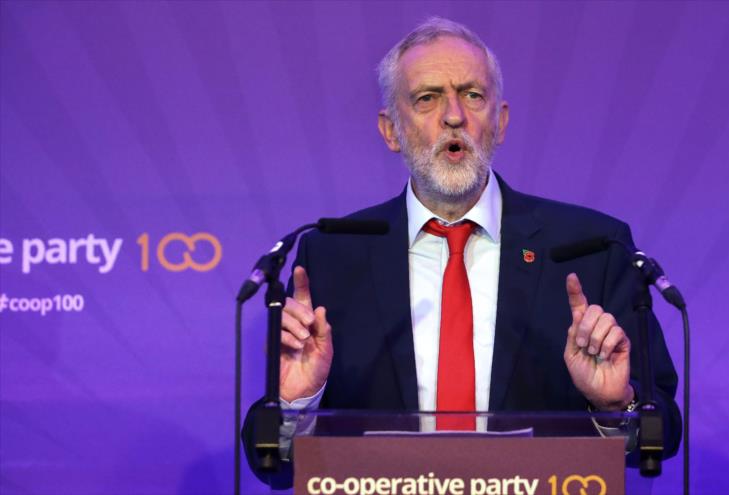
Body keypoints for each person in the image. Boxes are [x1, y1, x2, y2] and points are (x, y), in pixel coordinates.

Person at [243, 16, 681, 488]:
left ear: (501, 121)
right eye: (427, 98)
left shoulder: (593, 249)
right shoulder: (333, 255)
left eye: (473, 95)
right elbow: (275, 465)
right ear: (390, 130)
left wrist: (616, 406)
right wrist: (295, 405)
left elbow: (662, 435)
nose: (454, 115)